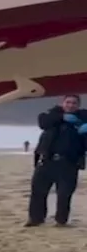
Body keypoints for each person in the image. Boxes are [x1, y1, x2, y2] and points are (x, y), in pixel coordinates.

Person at [27, 94, 87, 227]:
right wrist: (61, 117)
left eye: (74, 103)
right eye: (68, 102)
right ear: (62, 103)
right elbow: (43, 123)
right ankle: (36, 219)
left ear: (78, 105)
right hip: (46, 160)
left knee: (64, 194)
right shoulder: (51, 116)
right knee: (38, 191)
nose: (70, 105)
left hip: (69, 163)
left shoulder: (82, 118)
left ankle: (61, 221)